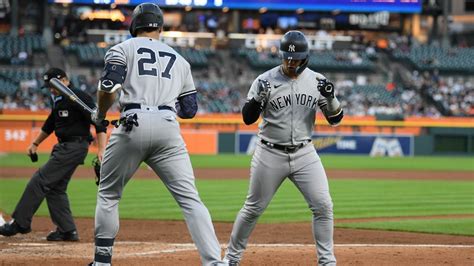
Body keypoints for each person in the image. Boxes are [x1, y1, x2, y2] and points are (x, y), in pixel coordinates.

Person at [89, 3, 225, 266]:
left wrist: (100, 114)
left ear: (134, 26)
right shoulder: (181, 60)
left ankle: (102, 261)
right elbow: (189, 110)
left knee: (109, 194)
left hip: (131, 123)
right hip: (167, 126)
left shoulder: (121, 49)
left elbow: (108, 88)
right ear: (160, 27)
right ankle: (213, 262)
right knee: (190, 200)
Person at [224, 31, 343, 265]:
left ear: (305, 58)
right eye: (287, 58)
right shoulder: (264, 80)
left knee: (323, 205)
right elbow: (248, 119)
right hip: (270, 152)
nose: (290, 62)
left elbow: (335, 119)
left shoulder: (316, 81)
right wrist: (258, 99)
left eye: (295, 59)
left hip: (304, 152)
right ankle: (230, 259)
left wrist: (330, 98)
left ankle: (327, 261)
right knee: (252, 209)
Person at [0, 67, 107, 241]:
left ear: (64, 80)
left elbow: (99, 121)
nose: (51, 89)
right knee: (55, 189)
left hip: (74, 146)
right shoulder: (58, 98)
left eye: (53, 85)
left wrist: (102, 149)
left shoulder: (78, 96)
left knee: (39, 181)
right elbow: (50, 123)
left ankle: (20, 223)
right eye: (49, 86)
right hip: (64, 147)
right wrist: (35, 143)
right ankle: (67, 230)